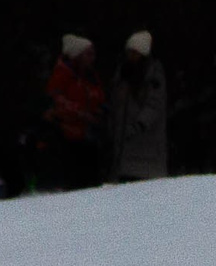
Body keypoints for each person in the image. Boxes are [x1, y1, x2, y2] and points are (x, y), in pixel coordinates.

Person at [40, 34, 108, 190]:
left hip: (88, 136)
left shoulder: (90, 75)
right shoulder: (62, 75)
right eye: (88, 54)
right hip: (68, 137)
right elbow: (57, 102)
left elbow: (98, 96)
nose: (92, 58)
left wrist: (100, 110)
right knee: (75, 180)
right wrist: (82, 113)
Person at [109, 29, 169, 181]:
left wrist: (140, 124)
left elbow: (155, 104)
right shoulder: (122, 73)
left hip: (146, 144)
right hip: (125, 144)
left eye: (134, 52)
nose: (131, 56)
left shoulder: (153, 74)